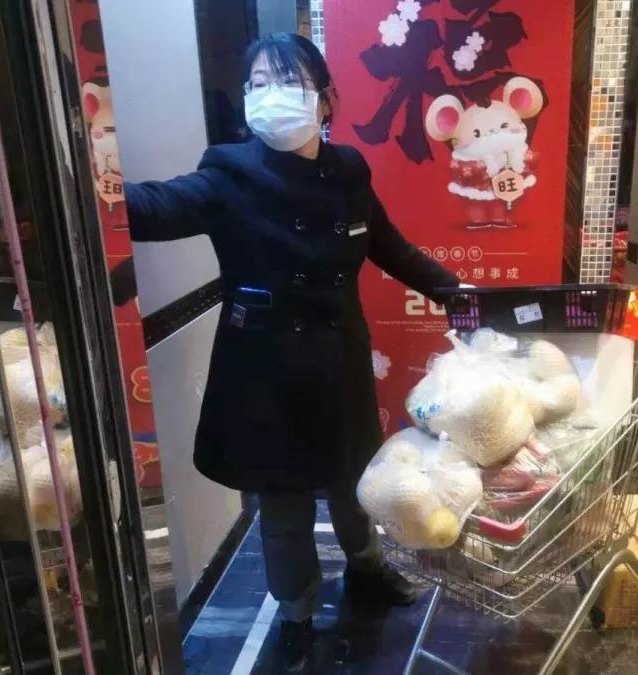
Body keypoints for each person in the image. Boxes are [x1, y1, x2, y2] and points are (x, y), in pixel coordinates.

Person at [124, 33, 460, 671]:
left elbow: (391, 247)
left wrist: (458, 294)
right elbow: (159, 206)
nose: (271, 95)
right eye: (258, 84)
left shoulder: (350, 171)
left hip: (339, 361)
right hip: (264, 374)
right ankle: (297, 613)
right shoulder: (228, 172)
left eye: (288, 82)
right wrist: (96, 192)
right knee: (283, 507)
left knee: (355, 482)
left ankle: (367, 570)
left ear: (325, 98)